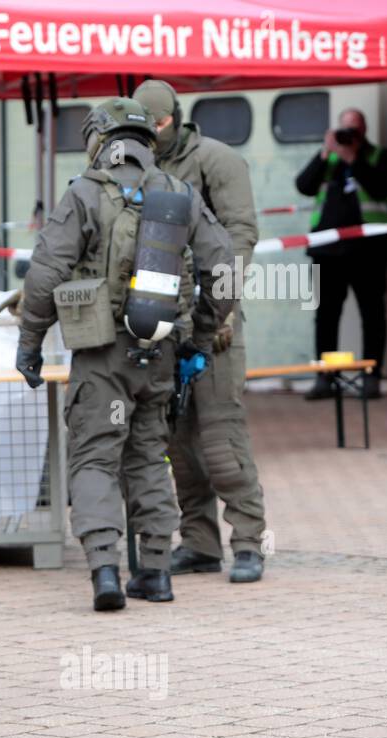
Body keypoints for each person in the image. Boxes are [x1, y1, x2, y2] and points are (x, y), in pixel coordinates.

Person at [14, 98, 236, 611]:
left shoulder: (86, 192)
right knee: (148, 456)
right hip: (158, 349)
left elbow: (46, 273)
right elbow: (222, 269)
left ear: (100, 139)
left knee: (94, 456)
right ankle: (156, 573)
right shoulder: (179, 192)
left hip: (100, 352)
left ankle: (105, 571)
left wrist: (29, 342)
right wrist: (199, 339)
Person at [133, 80, 268, 584]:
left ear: (176, 117)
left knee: (220, 437)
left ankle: (249, 541)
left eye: (159, 124)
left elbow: (240, 235)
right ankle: (200, 542)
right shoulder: (137, 163)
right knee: (176, 442)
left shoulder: (217, 161)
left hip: (214, 322)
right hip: (159, 322)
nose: (152, 133)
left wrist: (222, 308)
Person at [294, 108, 387, 400]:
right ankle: (326, 377)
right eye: (344, 129)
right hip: (328, 250)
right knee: (326, 316)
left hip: (368, 250)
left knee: (372, 314)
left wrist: (353, 159)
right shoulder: (330, 156)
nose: (348, 136)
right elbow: (304, 186)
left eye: (354, 131)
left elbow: (381, 187)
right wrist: (325, 152)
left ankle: (372, 376)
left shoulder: (377, 156)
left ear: (364, 131)